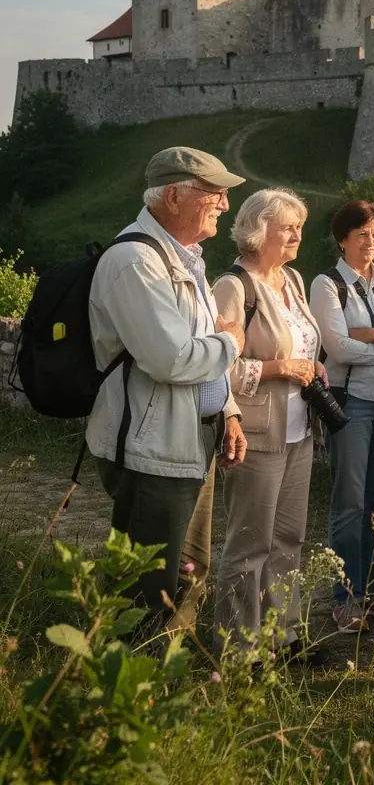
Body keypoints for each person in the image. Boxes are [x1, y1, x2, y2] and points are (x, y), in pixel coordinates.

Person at [87, 146, 248, 622]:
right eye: (214, 194)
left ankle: (170, 665)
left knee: (189, 573)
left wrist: (227, 410)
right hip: (152, 449)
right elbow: (173, 359)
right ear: (174, 196)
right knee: (146, 588)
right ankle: (131, 666)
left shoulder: (184, 258)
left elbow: (199, 345)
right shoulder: (135, 261)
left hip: (188, 439)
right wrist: (233, 341)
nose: (225, 205)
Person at [212, 188, 328, 666]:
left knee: (289, 539)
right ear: (259, 231)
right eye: (288, 228)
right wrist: (280, 369)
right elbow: (216, 367)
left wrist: (313, 365)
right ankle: (239, 652)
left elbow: (302, 343)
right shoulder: (233, 287)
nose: (297, 235)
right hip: (256, 432)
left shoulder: (292, 279)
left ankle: (281, 637)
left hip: (299, 430)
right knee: (249, 543)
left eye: (300, 226)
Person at [309, 200, 374, 634]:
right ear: (342, 239)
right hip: (350, 401)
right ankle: (345, 597)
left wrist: (371, 335)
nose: (370, 241)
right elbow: (337, 348)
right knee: (350, 502)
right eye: (361, 234)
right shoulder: (327, 284)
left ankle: (373, 590)